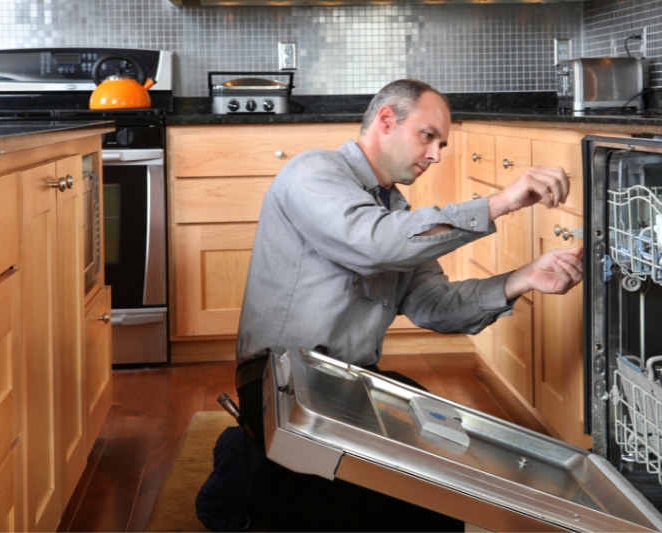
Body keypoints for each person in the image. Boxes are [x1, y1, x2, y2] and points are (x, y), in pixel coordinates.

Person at [232, 78, 583, 532]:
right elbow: (374, 244)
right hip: (280, 388)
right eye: (428, 136)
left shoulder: (398, 216)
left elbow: (434, 306)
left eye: (442, 143)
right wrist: (500, 203)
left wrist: (522, 279)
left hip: (344, 383)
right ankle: (252, 473)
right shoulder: (313, 172)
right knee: (407, 509)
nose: (436, 154)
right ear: (385, 120)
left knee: (444, 477)